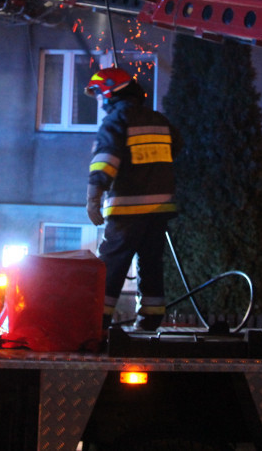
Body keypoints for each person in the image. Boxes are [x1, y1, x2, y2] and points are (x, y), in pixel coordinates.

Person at [84, 67, 179, 331]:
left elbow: (105, 159)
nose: (100, 101)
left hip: (128, 209)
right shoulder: (159, 120)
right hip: (160, 209)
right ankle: (150, 320)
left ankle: (96, 320)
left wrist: (94, 198)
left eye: (100, 94)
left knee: (111, 264)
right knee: (150, 263)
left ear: (110, 92)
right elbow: (177, 147)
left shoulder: (117, 120)